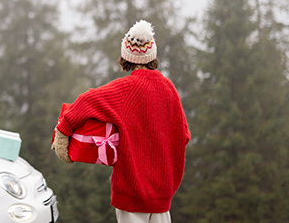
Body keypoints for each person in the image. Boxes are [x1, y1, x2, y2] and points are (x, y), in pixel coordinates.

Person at [52, 20, 190, 223]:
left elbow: (85, 101)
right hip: (162, 198)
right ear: (152, 55)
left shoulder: (127, 89)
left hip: (132, 196)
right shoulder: (169, 88)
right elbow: (184, 136)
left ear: (126, 56)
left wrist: (63, 132)